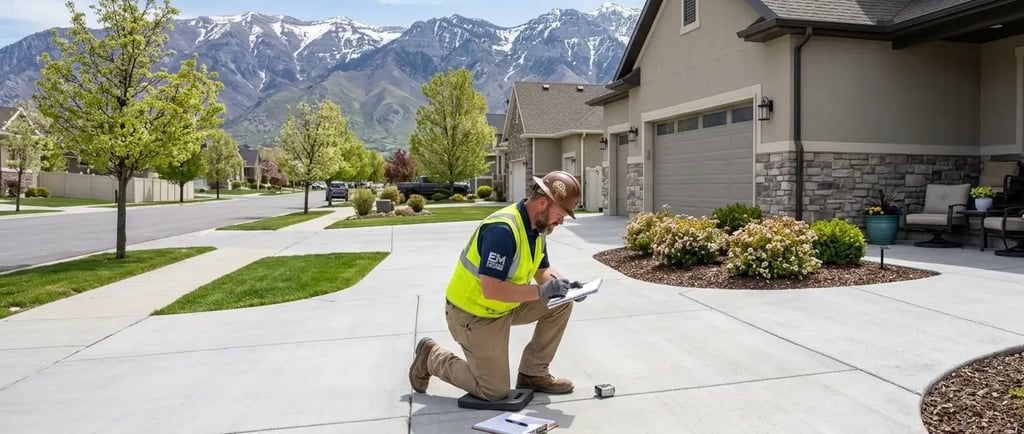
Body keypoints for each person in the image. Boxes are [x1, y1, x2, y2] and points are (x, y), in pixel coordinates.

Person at [409, 170, 585, 401]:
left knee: (561, 304)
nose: (561, 221)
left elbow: (542, 270)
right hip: (473, 315)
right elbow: (491, 290)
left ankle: (533, 374)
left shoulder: (537, 229)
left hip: (505, 307)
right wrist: (542, 292)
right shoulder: (502, 230)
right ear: (543, 202)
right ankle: (431, 356)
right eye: (561, 214)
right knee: (494, 391)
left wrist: (563, 286)